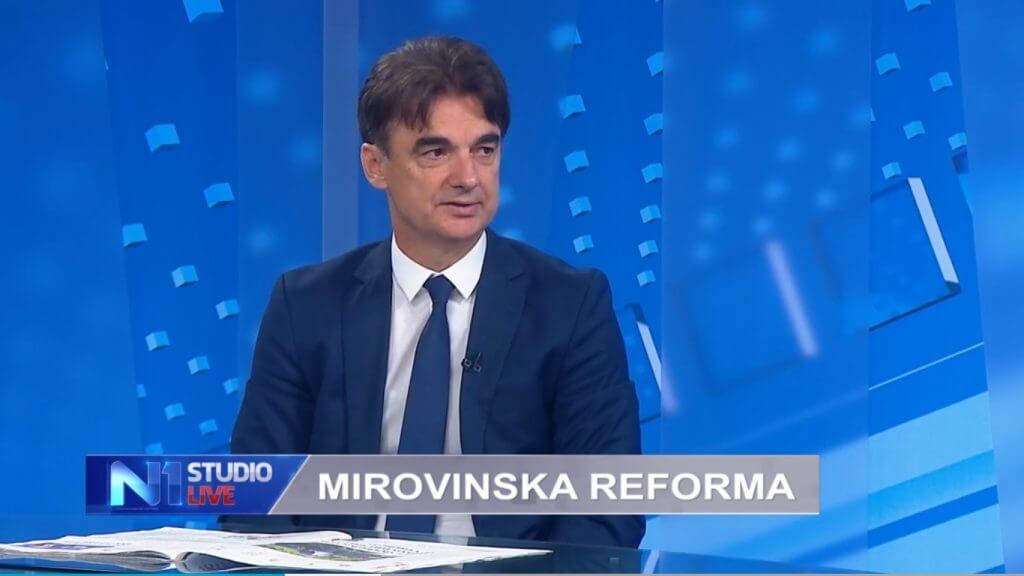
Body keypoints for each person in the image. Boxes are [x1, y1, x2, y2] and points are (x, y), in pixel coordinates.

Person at [228, 35, 644, 548]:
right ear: (375, 165)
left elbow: (606, 510)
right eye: (435, 151)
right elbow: (253, 501)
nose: (467, 177)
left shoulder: (570, 305)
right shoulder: (306, 306)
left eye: (484, 149)